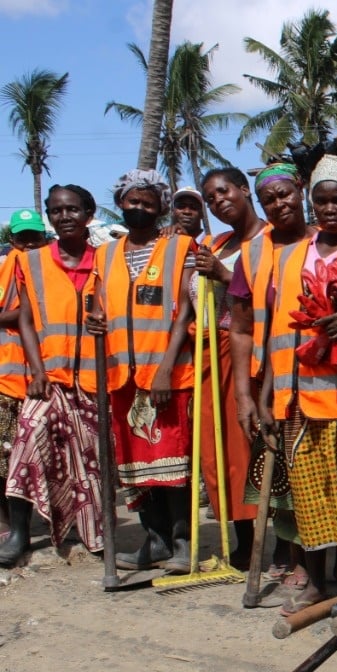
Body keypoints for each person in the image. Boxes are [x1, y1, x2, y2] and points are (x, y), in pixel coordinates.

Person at [254, 156, 337, 611]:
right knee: (307, 497)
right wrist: (265, 394)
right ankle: (312, 578)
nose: (329, 209)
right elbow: (276, 327)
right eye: (321, 200)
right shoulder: (287, 256)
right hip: (294, 398)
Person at [0, 187, 105, 567]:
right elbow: (25, 319)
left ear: (88, 213)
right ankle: (20, 534)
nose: (64, 216)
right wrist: (38, 371)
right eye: (56, 210)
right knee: (27, 443)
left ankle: (93, 532)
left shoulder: (107, 260)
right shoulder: (34, 262)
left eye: (72, 209)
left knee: (90, 460)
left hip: (96, 380)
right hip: (50, 377)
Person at [99, 170, 198, 572]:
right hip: (122, 376)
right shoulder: (105, 254)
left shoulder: (181, 248)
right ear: (121, 202)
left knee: (173, 465)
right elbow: (100, 304)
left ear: (160, 206)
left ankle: (183, 544)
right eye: (131, 201)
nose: (138, 208)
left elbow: (185, 312)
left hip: (166, 377)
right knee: (136, 469)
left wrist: (164, 370)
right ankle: (154, 541)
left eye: (147, 202)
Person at [227, 162, 314, 597]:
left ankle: (326, 564)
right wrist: (244, 394)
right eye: (269, 200)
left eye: (285, 194)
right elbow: (240, 327)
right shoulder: (253, 253)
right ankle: (294, 559)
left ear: (300, 190)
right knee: (283, 476)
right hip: (271, 380)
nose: (280, 205)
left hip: (323, 376)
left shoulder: (326, 240)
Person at [192, 168, 270, 568]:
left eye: (224, 191)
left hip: (252, 353)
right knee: (220, 448)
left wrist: (222, 274)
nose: (219, 201)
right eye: (210, 198)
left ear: (244, 190)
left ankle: (261, 540)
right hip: (212, 353)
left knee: (249, 443)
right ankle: (240, 536)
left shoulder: (270, 240)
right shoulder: (218, 242)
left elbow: (267, 298)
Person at [0, 209, 49, 531]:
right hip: (6, 377)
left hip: (42, 375)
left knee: (43, 455)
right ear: (12, 239)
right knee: (5, 457)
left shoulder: (47, 267)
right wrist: (22, 315)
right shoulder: (7, 267)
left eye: (35, 237)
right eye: (23, 238)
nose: (29, 243)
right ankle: (7, 525)